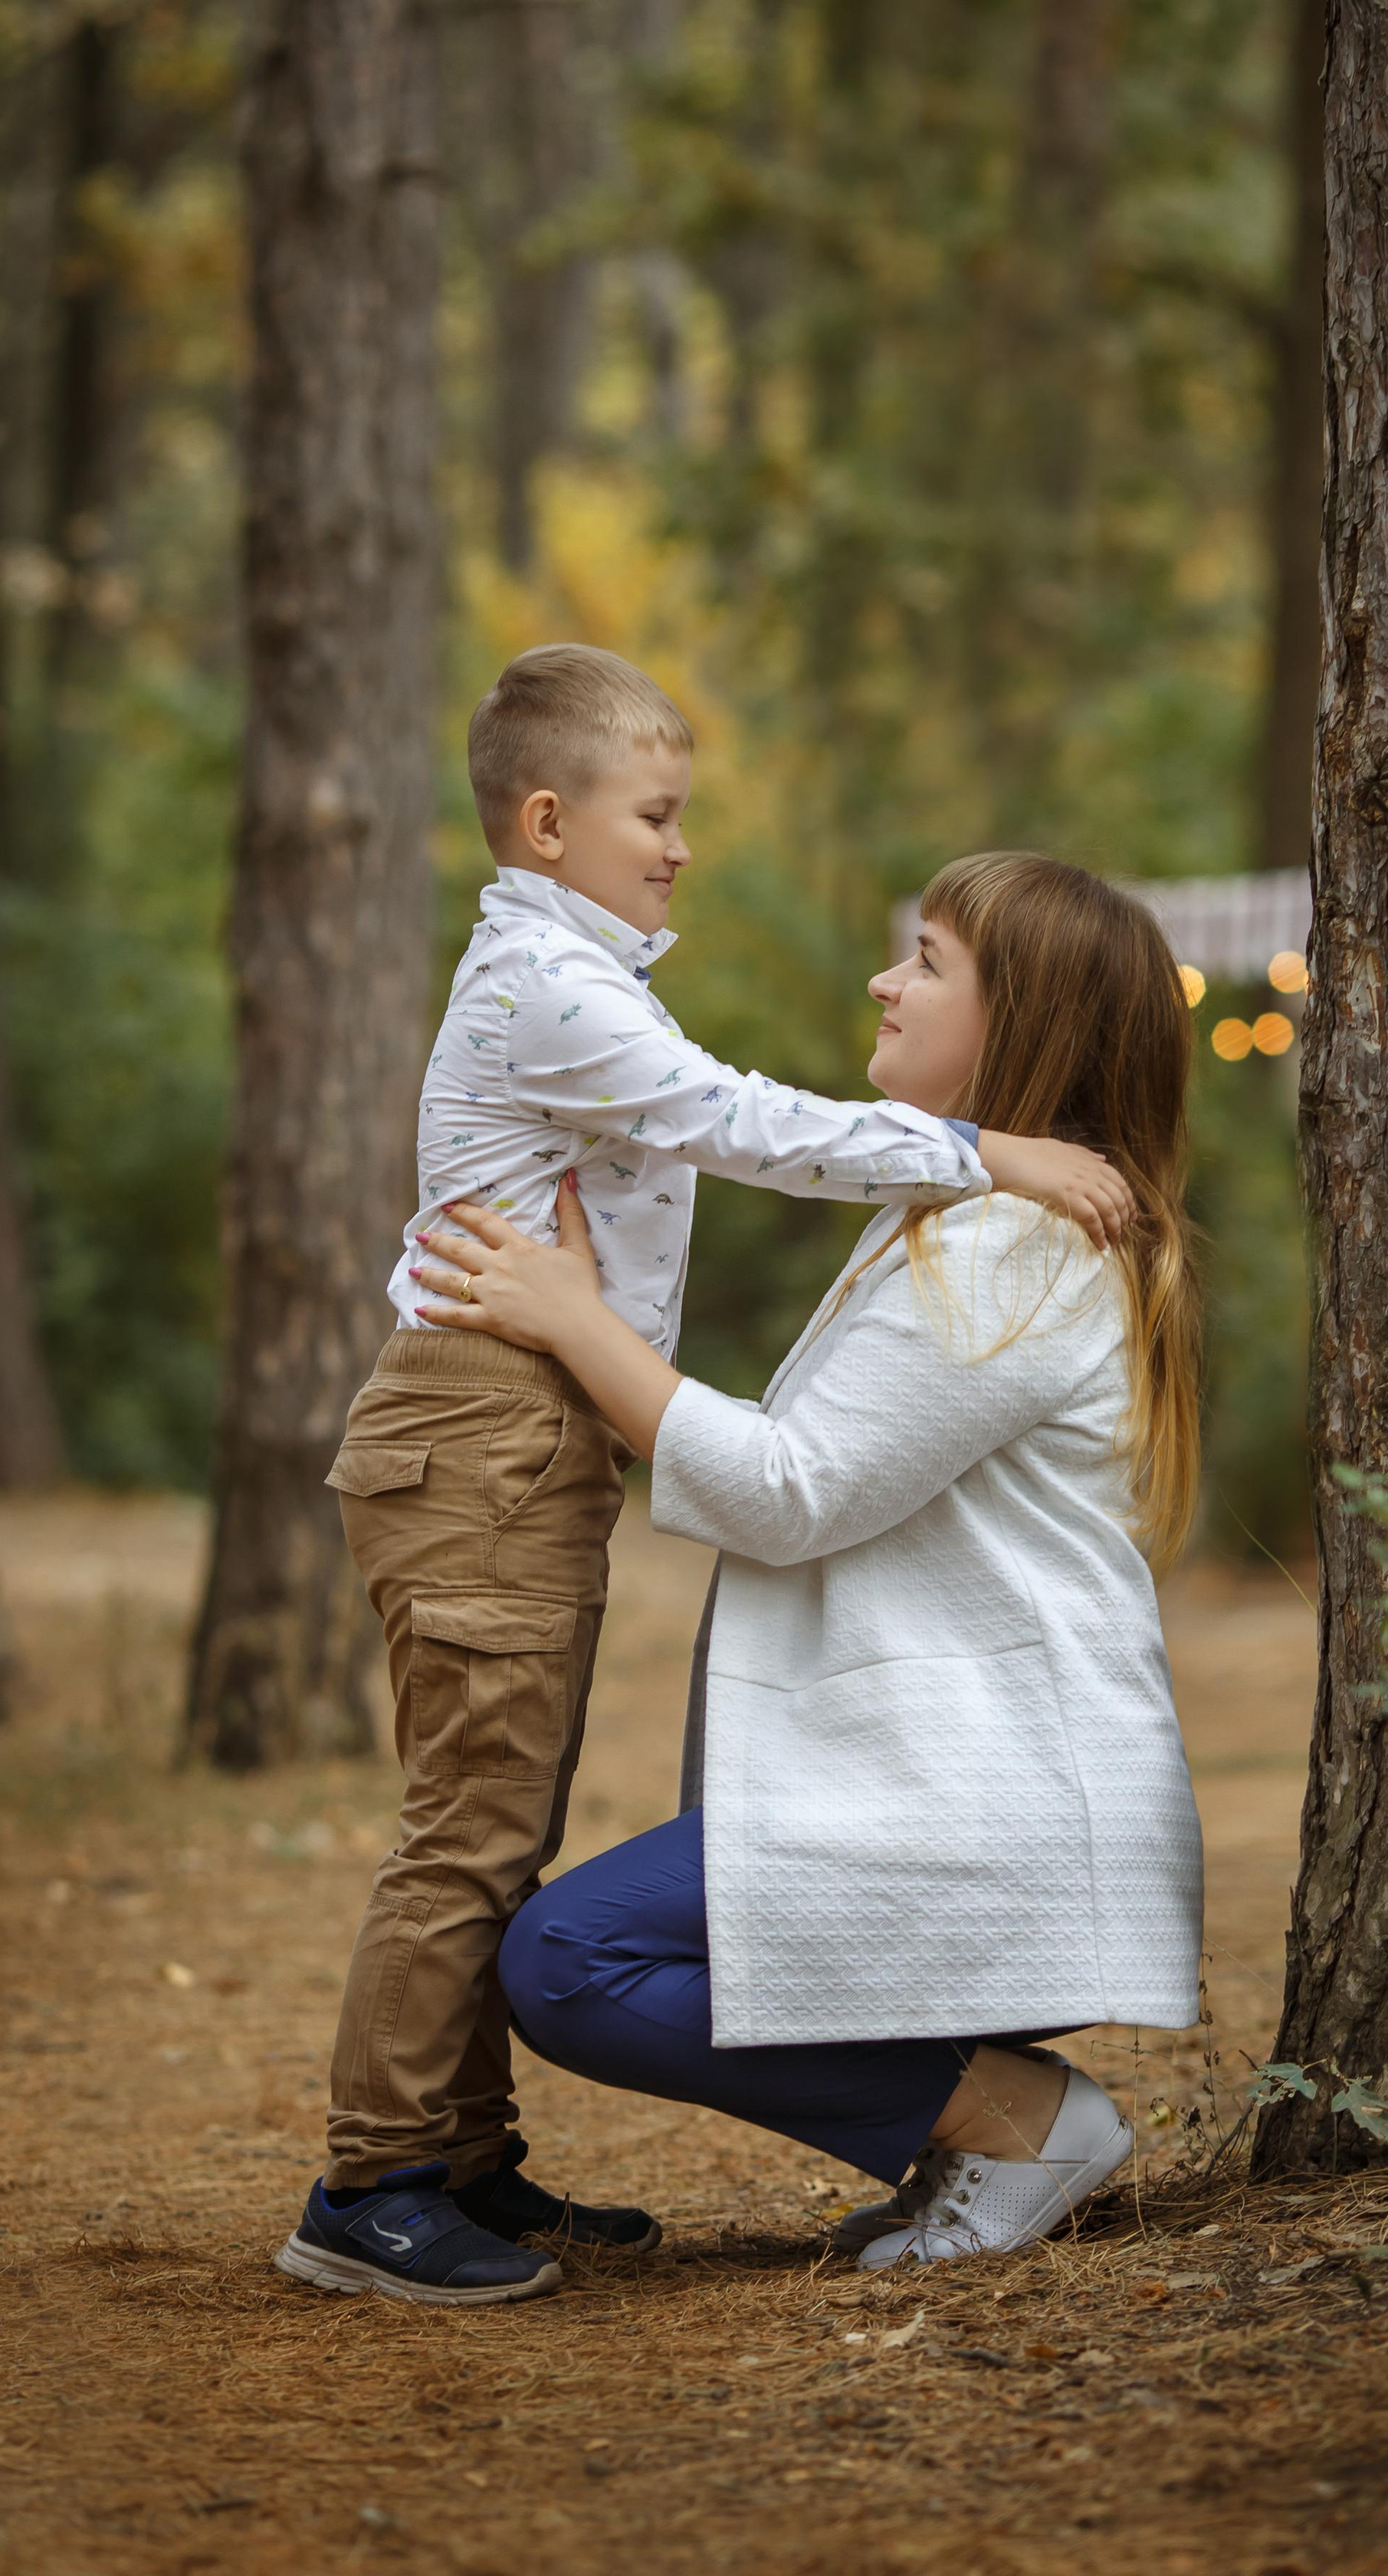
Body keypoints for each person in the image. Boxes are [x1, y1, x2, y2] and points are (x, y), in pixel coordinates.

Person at [276, 652, 1135, 2308]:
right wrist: (984, 1148)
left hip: (518, 1432)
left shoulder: (571, 972)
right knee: (468, 1835)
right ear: (547, 823)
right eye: (655, 816)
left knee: (500, 1820)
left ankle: (461, 2159)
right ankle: (367, 2182)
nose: (679, 847)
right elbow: (739, 1123)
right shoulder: (550, 987)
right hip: (479, 1425)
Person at [406, 852, 1205, 2272]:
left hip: (979, 1791)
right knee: (584, 1947)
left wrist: (573, 1319)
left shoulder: (1019, 1241)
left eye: (929, 962)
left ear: (1026, 1024)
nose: (888, 983)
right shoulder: (969, 1216)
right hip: (945, 1779)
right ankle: (968, 2110)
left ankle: (1016, 2119)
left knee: (568, 1962)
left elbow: (788, 1491)